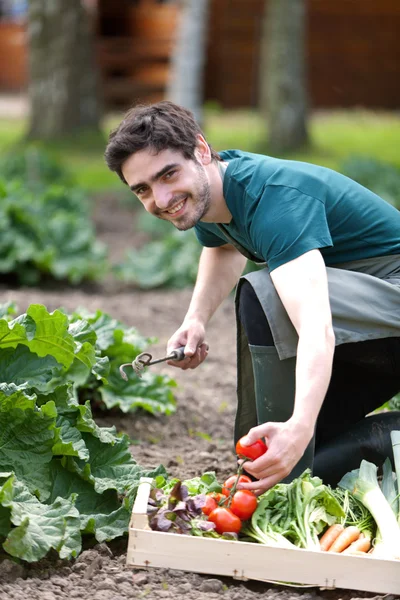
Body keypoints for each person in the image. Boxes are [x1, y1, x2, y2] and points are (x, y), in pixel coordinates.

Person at [104, 101, 400, 493]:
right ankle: (289, 456)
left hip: (389, 298)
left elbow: (315, 327)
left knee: (267, 295)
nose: (161, 199)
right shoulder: (217, 193)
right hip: (372, 320)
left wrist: (299, 427)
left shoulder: (274, 200)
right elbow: (222, 246)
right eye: (142, 189)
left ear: (202, 150)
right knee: (293, 460)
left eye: (168, 174)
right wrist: (196, 319)